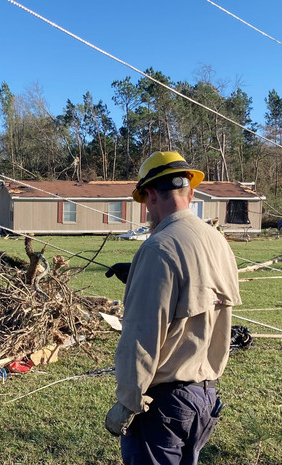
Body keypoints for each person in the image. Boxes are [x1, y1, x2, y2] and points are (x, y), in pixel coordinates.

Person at [104, 151, 242, 465]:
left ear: (150, 195)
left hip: (162, 405)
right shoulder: (217, 241)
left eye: (144, 201)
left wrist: (127, 402)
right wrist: (142, 275)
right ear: (190, 192)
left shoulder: (158, 248)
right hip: (203, 398)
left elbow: (141, 337)